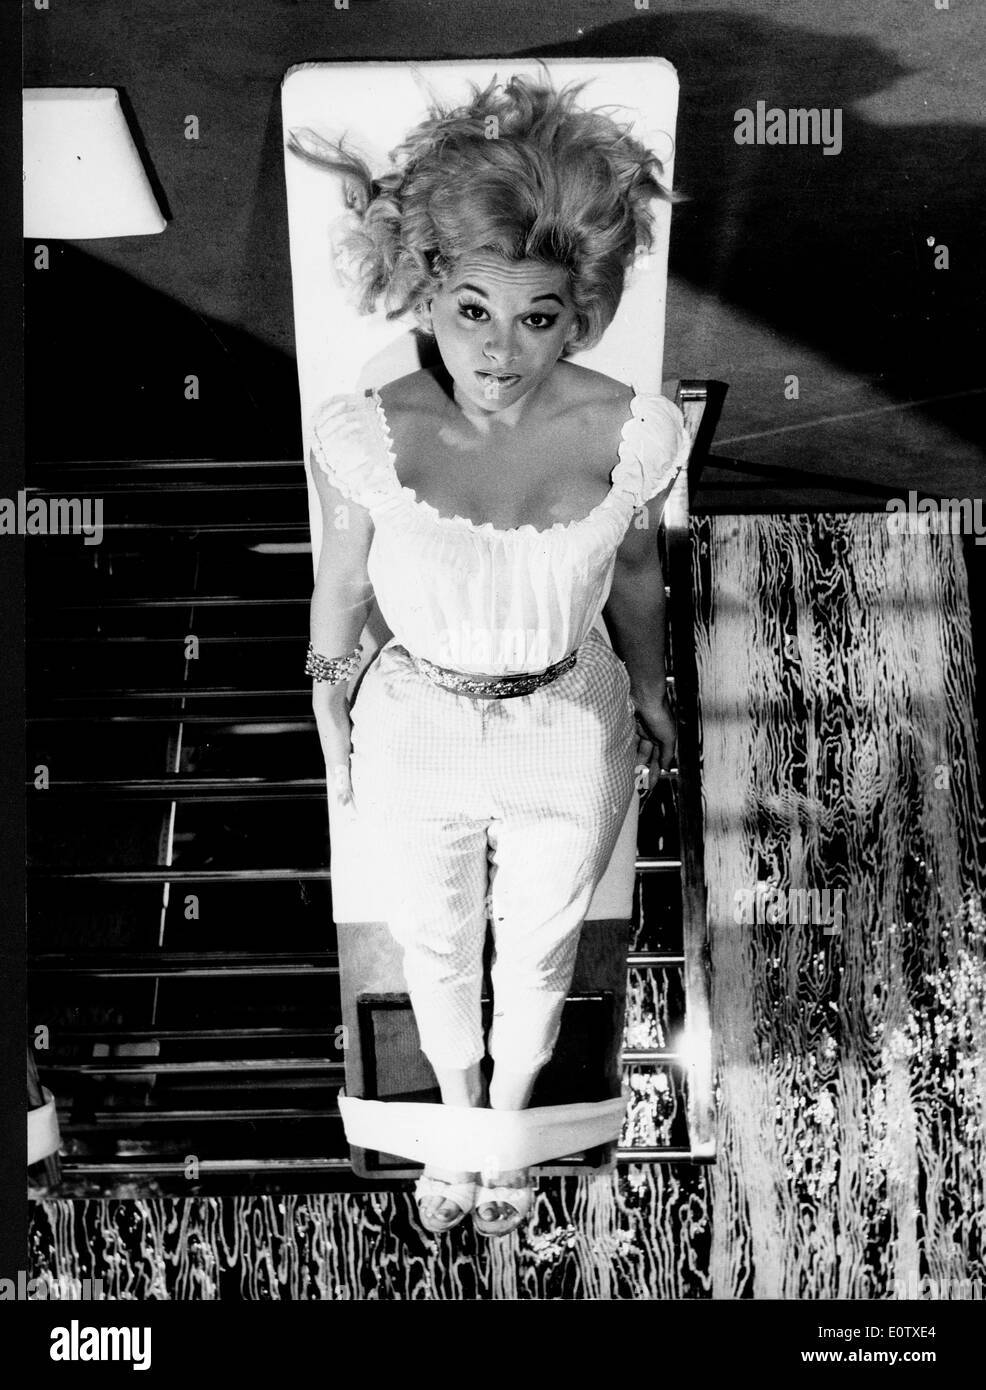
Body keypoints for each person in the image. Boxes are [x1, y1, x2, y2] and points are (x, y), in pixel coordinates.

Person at [288, 73, 691, 1237]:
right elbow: (342, 582)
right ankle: (456, 1117)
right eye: (472, 311)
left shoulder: (630, 429)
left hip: (568, 723)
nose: (500, 353)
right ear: (428, 293)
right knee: (432, 941)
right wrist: (327, 697)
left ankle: (505, 1126)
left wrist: (652, 690)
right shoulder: (364, 430)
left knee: (543, 948)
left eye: (537, 318)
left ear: (579, 311)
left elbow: (633, 572)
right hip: (411, 723)